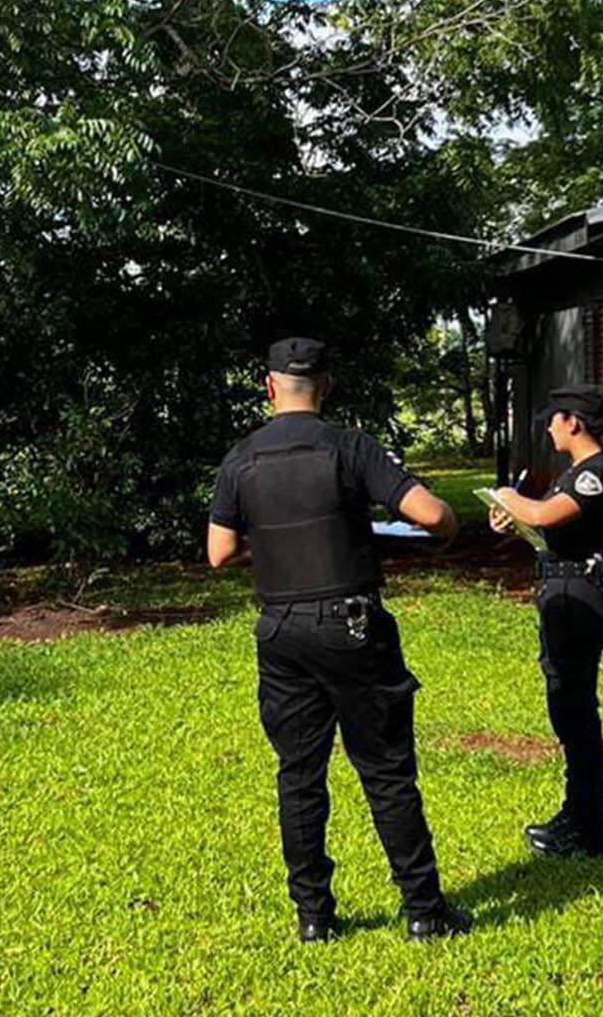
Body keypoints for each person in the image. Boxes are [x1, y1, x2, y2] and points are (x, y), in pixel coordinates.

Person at [207, 337, 473, 944]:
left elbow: (219, 552)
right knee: (384, 770)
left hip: (280, 630)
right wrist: (451, 526)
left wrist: (273, 546)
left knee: (299, 774)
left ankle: (314, 917)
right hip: (351, 625)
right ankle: (424, 911)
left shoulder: (240, 459)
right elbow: (430, 514)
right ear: (325, 387)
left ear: (269, 386)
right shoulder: (350, 446)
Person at [489, 385, 603, 858]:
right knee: (569, 712)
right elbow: (550, 528)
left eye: (553, 418)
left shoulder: (597, 473)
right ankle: (578, 814)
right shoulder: (578, 472)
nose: (548, 426)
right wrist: (516, 519)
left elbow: (547, 512)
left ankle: (585, 827)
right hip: (566, 594)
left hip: (578, 601)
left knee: (576, 714)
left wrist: (509, 496)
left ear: (573, 422)